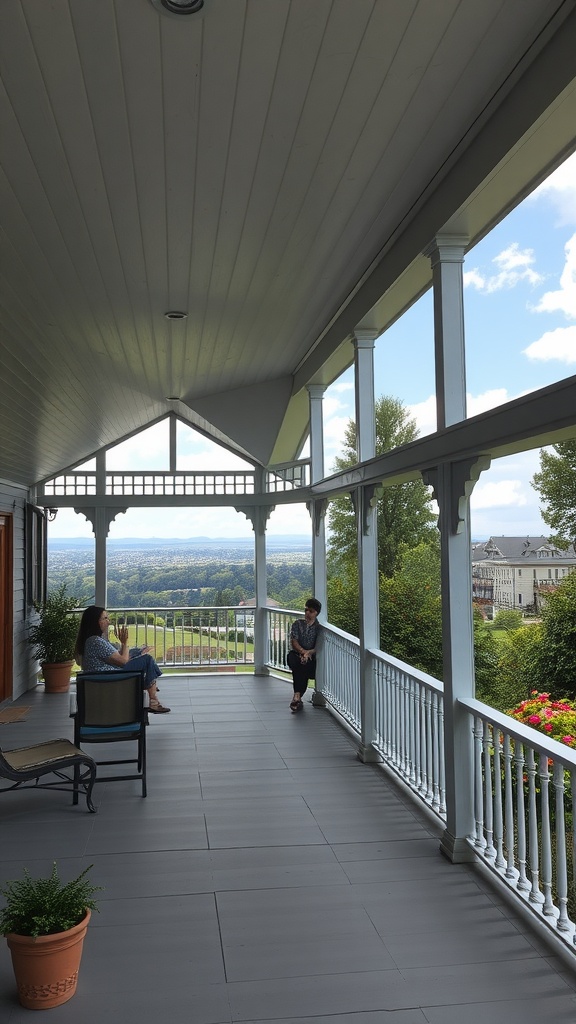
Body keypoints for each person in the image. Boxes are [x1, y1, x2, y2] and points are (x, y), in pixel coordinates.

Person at [74, 606, 170, 713]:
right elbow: (123, 662)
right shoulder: (95, 641)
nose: (108, 622)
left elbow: (116, 657)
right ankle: (153, 699)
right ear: (95, 622)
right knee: (147, 659)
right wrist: (124, 642)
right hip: (113, 678)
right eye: (105, 618)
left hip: (106, 676)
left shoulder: (93, 640)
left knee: (137, 652)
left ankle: (149, 684)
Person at [287, 598, 321, 713]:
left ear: (316, 613)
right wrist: (303, 652)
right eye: (306, 610)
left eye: (311, 611)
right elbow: (294, 641)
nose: (307, 613)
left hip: (311, 657)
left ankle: (297, 696)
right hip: (296, 654)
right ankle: (298, 696)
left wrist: (308, 653)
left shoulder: (319, 628)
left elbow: (318, 647)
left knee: (301, 667)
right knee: (297, 662)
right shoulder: (298, 624)